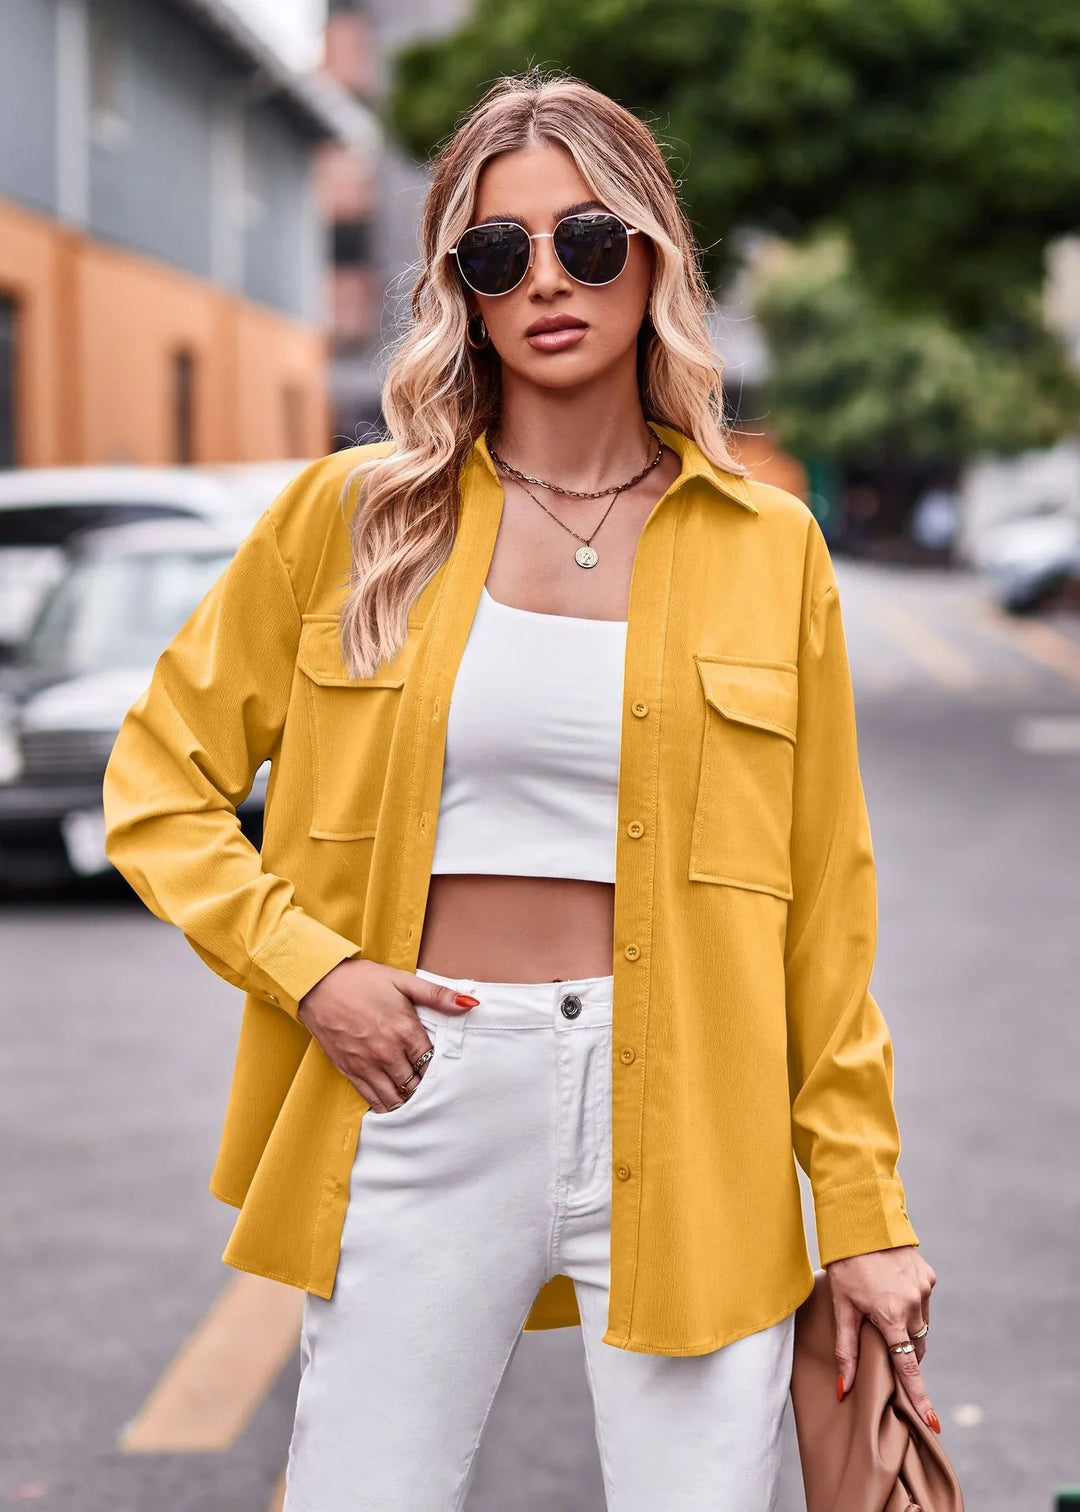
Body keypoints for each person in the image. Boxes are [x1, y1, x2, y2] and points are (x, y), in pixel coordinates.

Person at [102, 70, 938, 1512]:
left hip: (699, 1108)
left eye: (588, 240)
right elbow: (157, 785)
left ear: (655, 257)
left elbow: (825, 911)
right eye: (499, 253)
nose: (548, 279)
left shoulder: (767, 545)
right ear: (462, 293)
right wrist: (317, 976)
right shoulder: (352, 521)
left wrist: (863, 1211)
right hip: (420, 1080)